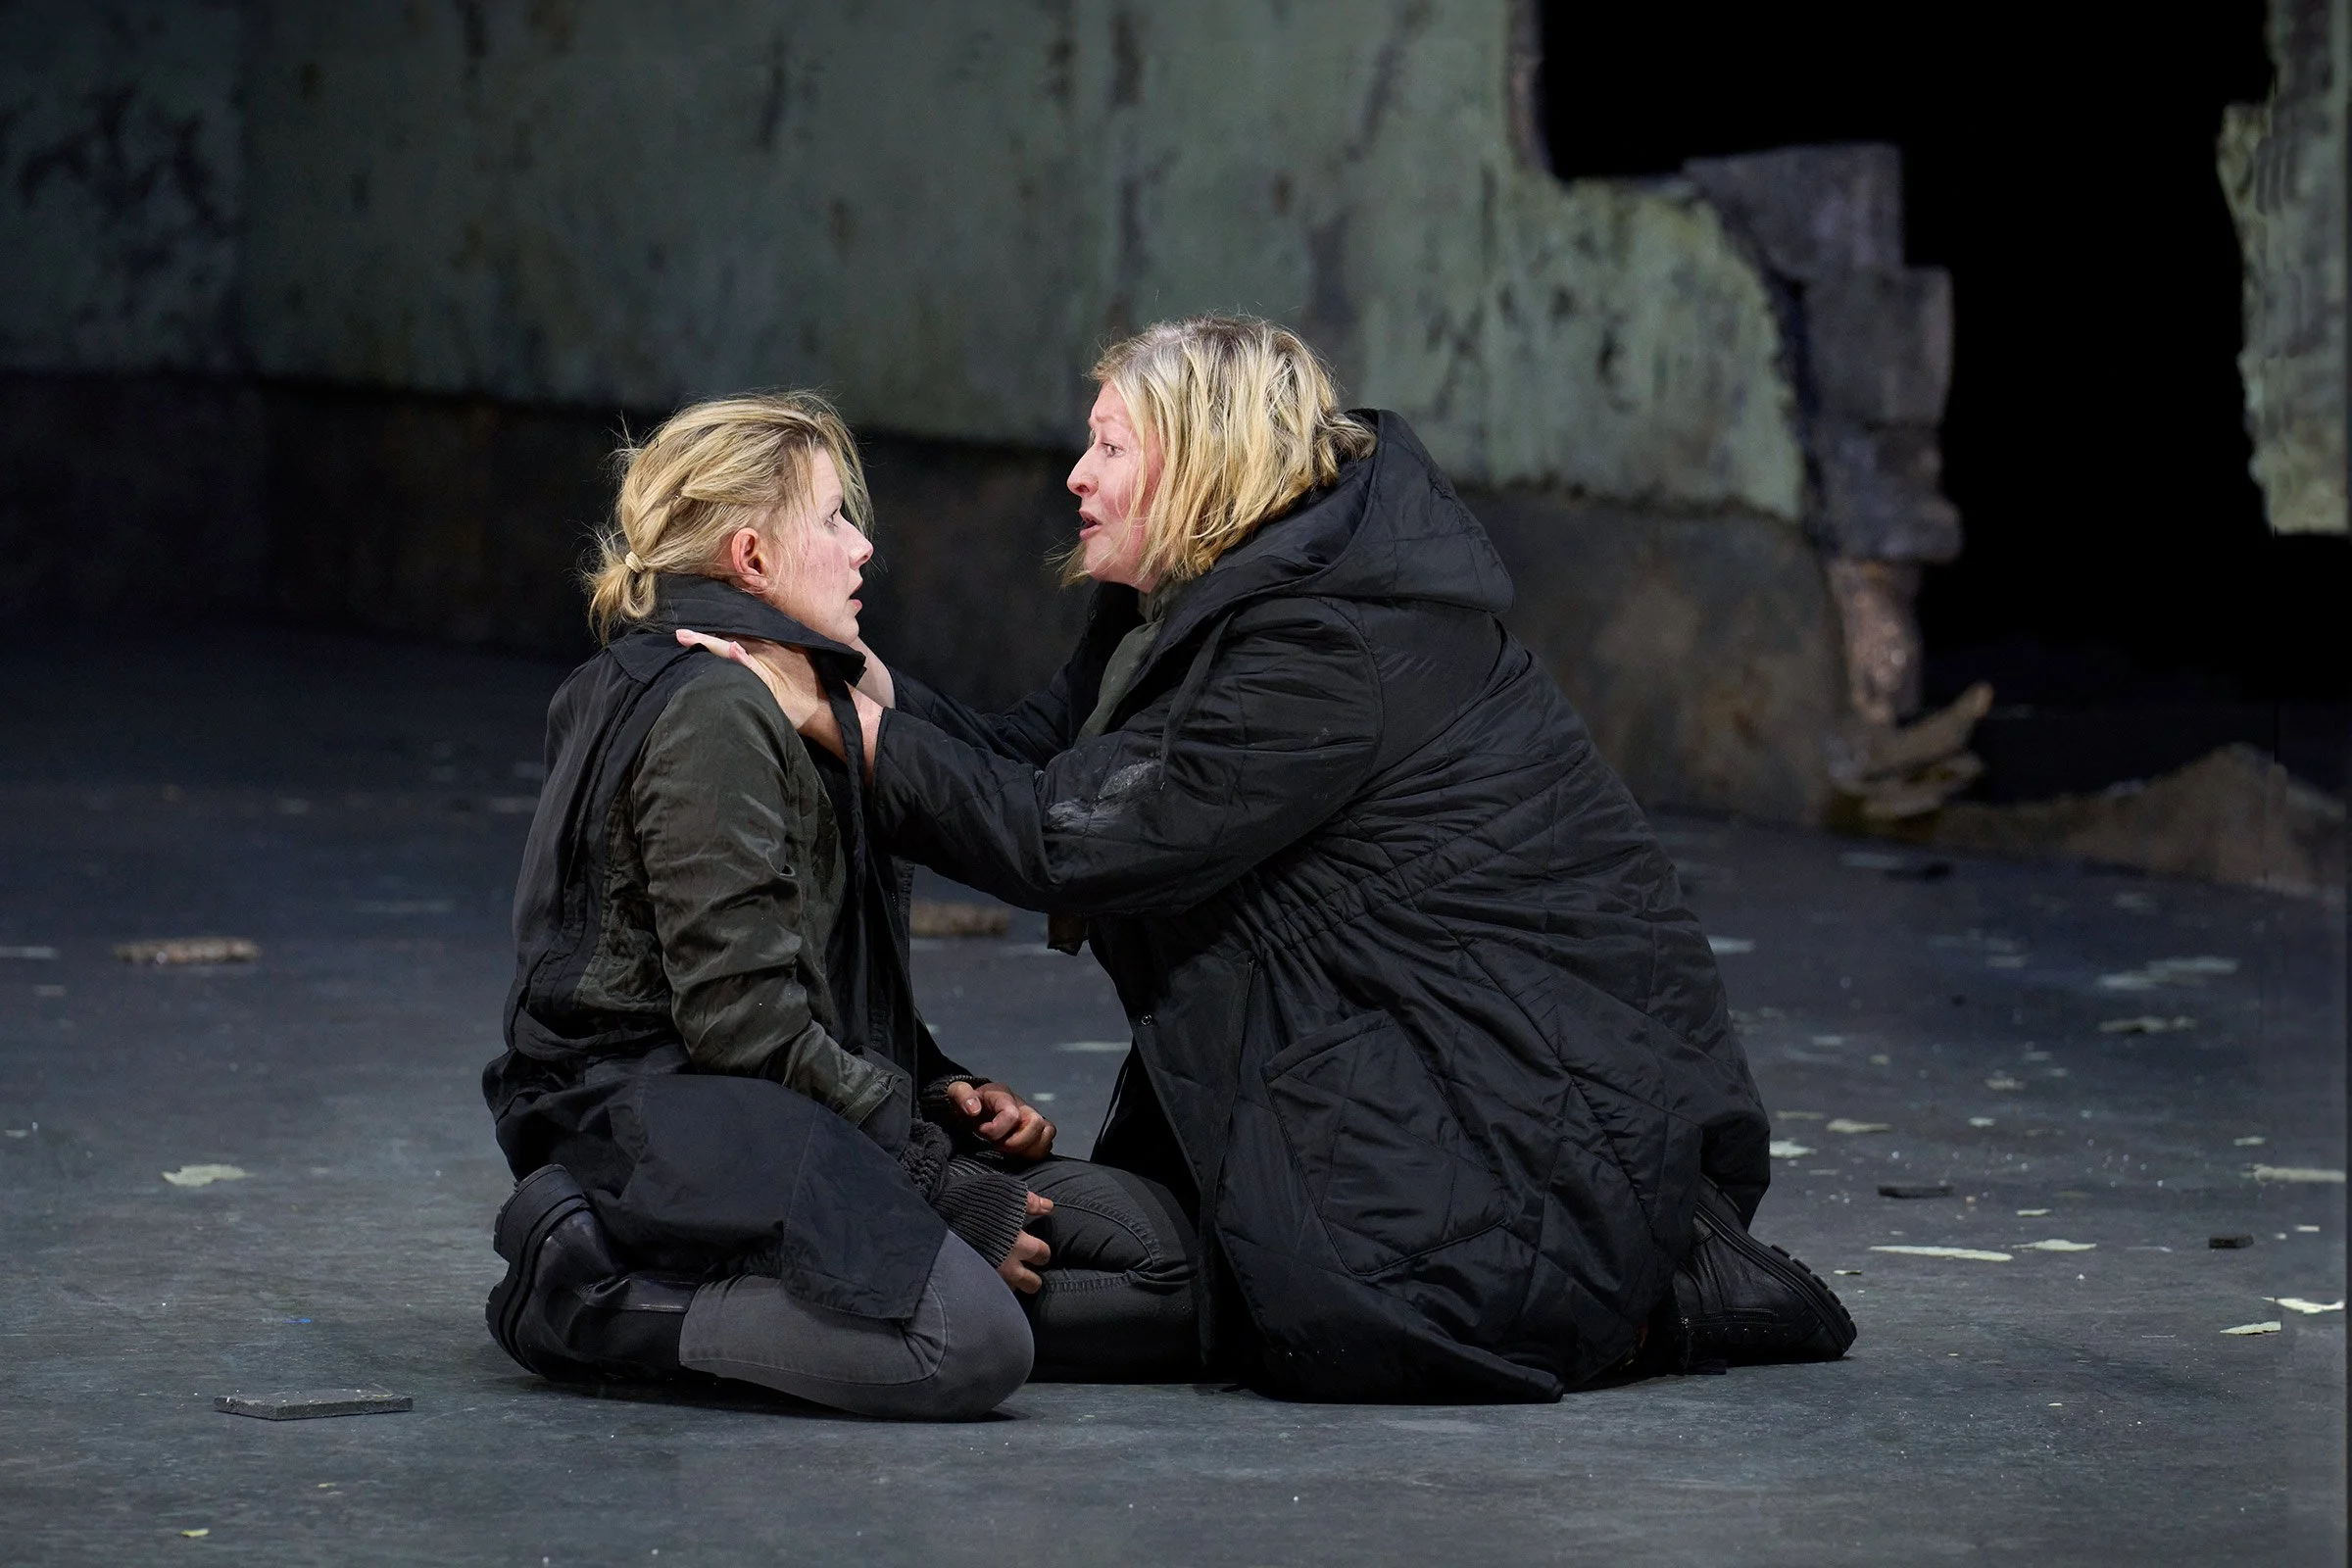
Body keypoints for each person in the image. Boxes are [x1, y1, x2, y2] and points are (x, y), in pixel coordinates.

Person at [701, 318, 1856, 1401]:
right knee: (1086, 1249)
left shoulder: (1328, 641)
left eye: (1111, 447)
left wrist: (832, 718)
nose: (1078, 476)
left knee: (1216, 1302)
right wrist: (851, 686)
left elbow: (1072, 836)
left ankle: (1669, 1295)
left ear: (1205, 466)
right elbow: (1038, 762)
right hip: (1369, 1074)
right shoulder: (1186, 602)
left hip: (1490, 1124)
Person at [480, 392, 1198, 1421]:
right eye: (832, 518)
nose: (862, 547)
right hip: (661, 1121)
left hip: (790, 1106)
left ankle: (871, 1291)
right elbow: (741, 1026)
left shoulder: (800, 693)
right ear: (751, 558)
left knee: (1167, 1259)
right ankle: (591, 1303)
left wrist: (938, 1083)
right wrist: (931, 1182)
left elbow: (814, 966)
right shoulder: (714, 704)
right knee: (969, 1344)